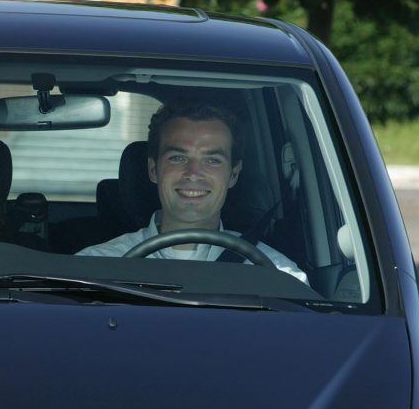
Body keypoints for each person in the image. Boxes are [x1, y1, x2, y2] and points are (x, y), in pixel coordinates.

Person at [76, 100, 308, 284]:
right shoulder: (93, 268)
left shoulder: (278, 276)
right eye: (178, 158)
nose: (193, 173)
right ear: (153, 170)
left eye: (213, 160)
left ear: (233, 175)